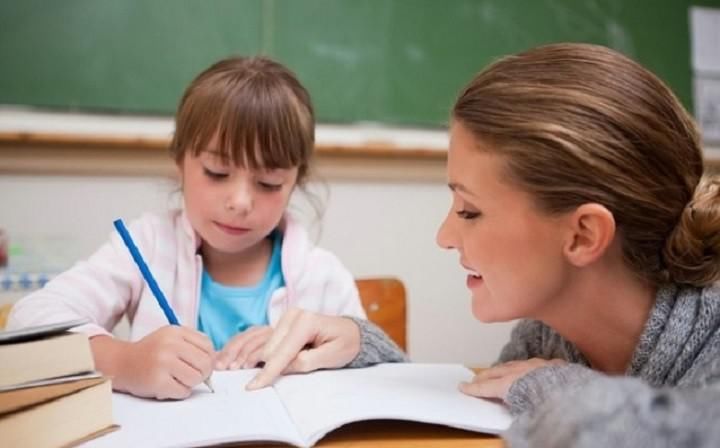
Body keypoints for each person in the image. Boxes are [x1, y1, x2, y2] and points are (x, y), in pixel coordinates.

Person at [245, 43, 720, 446]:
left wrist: (554, 387)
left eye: (469, 211)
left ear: (583, 235)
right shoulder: (549, 334)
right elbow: (475, 404)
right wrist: (361, 347)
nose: (444, 236)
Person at [7, 56, 366, 400]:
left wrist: (355, 340)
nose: (240, 201)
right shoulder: (146, 246)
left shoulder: (322, 276)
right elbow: (28, 322)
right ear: (180, 162)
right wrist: (124, 362)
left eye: (269, 183)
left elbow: (385, 373)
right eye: (217, 172)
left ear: (294, 182)